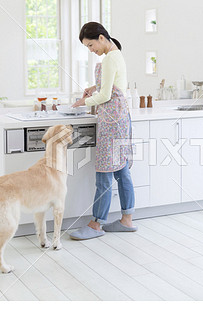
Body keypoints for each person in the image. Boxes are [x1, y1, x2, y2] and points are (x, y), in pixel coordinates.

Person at [69, 22, 137, 240]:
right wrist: (93, 88)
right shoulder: (117, 55)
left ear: (100, 37)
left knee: (104, 173)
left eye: (91, 45)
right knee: (121, 170)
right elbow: (113, 86)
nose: (91, 50)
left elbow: (106, 96)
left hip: (111, 119)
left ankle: (97, 224)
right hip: (121, 117)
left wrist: (82, 101)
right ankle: (127, 220)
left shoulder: (108, 59)